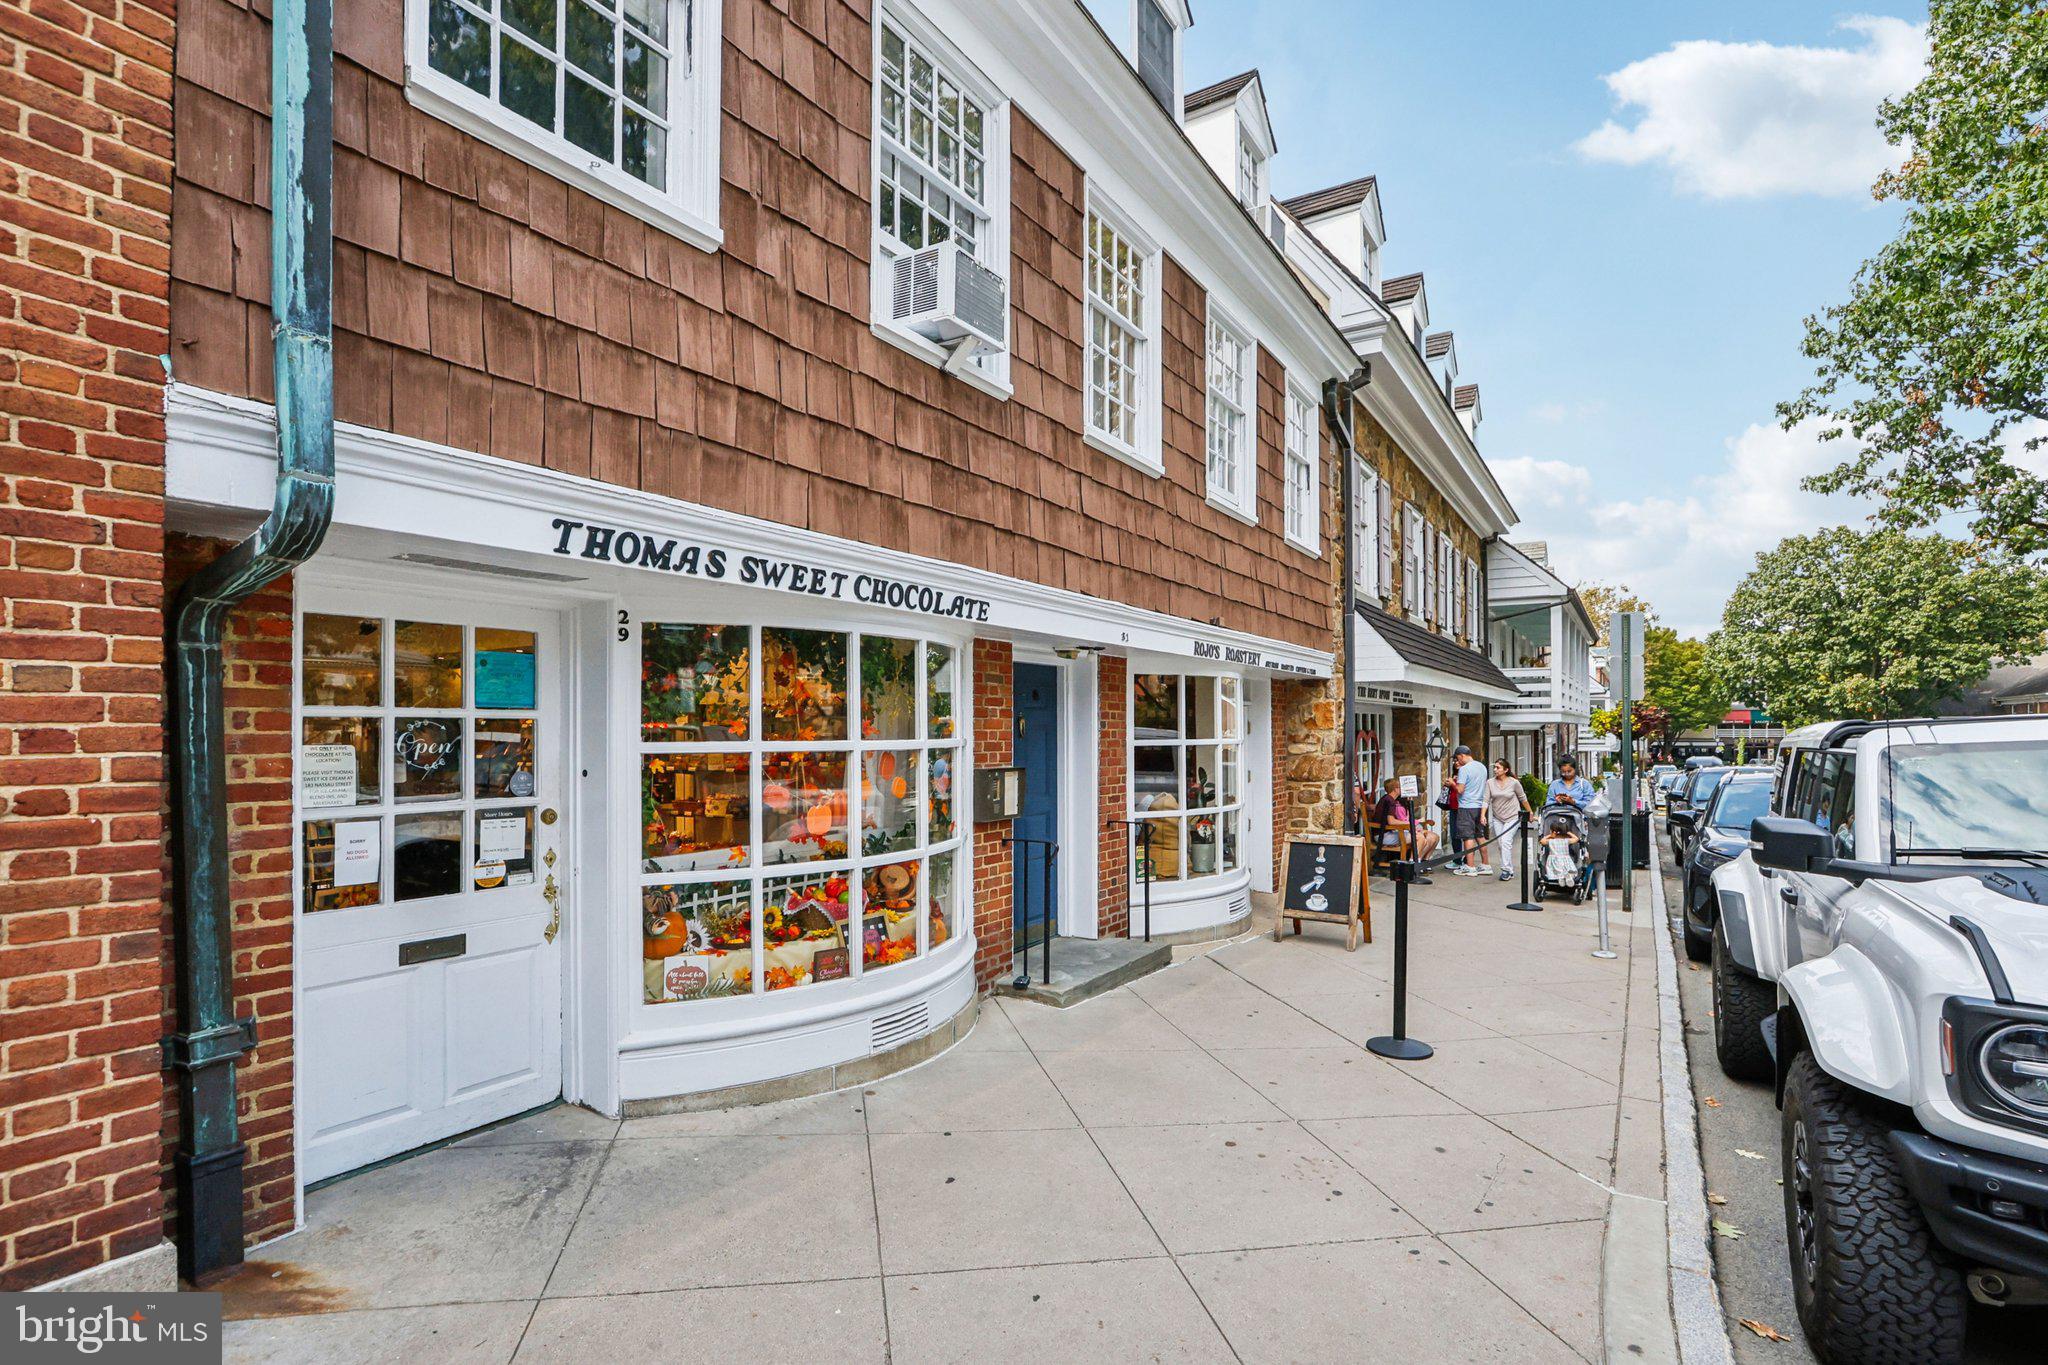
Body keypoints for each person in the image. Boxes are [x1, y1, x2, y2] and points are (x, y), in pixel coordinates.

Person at [1485, 758, 1533, 882]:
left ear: (1506, 770)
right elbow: (1485, 800)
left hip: (1512, 817)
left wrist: (1530, 812)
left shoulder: (1514, 783)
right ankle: (1510, 869)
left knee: (1506, 841)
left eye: (1498, 767)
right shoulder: (1490, 782)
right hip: (1498, 818)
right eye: (1494, 767)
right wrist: (1482, 815)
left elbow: (1523, 798)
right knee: (1501, 844)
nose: (1495, 769)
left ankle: (1505, 870)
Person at [1372, 778, 1438, 861]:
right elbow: (1391, 821)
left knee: (1431, 837)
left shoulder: (1388, 799)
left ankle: (1420, 861)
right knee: (1420, 838)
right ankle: (1412, 863)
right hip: (1383, 836)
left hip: (1388, 832)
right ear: (1395, 789)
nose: (1403, 790)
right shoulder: (1390, 801)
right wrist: (1410, 824)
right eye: (1401, 787)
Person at [1451, 745, 1490, 875]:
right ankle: (1485, 864)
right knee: (1480, 836)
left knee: (1467, 837)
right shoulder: (1482, 767)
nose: (1457, 761)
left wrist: (1452, 784)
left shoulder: (1464, 769)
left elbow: (1460, 790)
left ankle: (1470, 866)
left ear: (1462, 756)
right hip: (1479, 806)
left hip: (1466, 806)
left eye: (1457, 758)